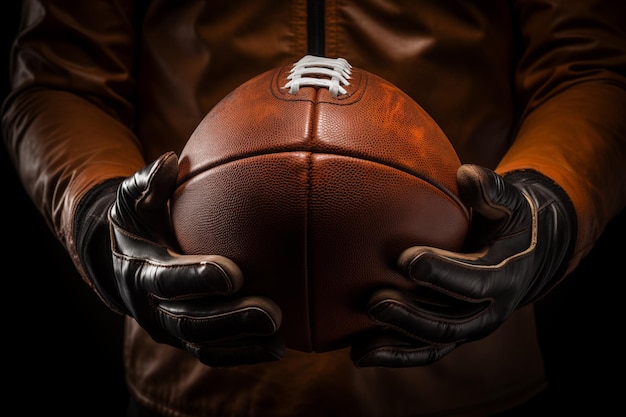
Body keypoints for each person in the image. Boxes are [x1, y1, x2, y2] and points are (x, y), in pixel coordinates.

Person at [2, 0, 625, 416]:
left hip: (471, 369)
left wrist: (549, 206)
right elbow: (59, 76)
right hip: (196, 373)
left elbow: (589, 65)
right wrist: (97, 216)